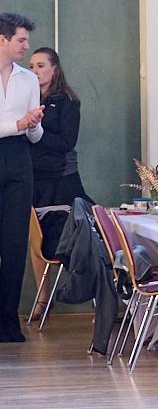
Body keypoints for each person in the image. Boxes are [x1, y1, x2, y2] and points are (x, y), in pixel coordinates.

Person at [0, 12, 45, 343]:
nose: (26, 47)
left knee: (14, 244)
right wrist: (16, 124)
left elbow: (35, 137)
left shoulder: (28, 80)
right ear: (2, 40)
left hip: (18, 160)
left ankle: (8, 323)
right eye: (21, 40)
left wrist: (32, 123)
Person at [28, 48, 93, 257]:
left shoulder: (67, 101)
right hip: (34, 177)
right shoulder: (28, 100)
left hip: (61, 177)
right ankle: (45, 291)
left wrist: (37, 133)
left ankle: (77, 286)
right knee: (39, 240)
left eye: (40, 66)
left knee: (67, 238)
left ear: (54, 70)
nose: (35, 71)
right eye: (31, 67)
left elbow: (67, 141)